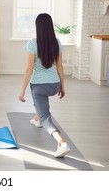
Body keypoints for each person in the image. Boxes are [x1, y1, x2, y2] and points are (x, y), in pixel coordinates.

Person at [18, 13, 71, 158]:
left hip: (39, 87)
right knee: (41, 107)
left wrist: (21, 91)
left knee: (46, 117)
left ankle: (62, 143)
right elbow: (60, 67)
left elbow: (29, 70)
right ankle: (36, 119)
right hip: (54, 84)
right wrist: (62, 86)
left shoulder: (32, 44)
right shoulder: (57, 42)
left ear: (37, 27)